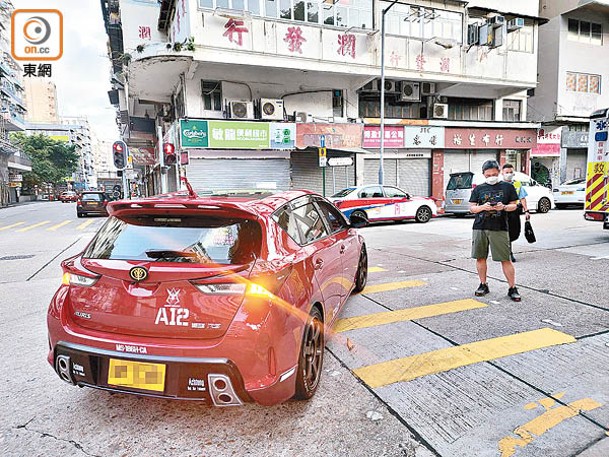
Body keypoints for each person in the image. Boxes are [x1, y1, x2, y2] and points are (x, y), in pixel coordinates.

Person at [469, 160, 522, 302]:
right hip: (480, 227)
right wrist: (483, 207)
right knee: (480, 257)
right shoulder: (478, 189)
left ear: (498, 172)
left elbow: (514, 205)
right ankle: (483, 284)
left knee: (505, 259)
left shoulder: (507, 187)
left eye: (494, 174)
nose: (491, 176)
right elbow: (472, 208)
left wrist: (503, 207)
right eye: (488, 175)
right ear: (483, 174)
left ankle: (512, 288)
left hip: (500, 227)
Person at [501, 163, 530, 262]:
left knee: (514, 232)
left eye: (510, 172)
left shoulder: (517, 184)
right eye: (506, 172)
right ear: (502, 173)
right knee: (504, 232)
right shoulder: (498, 185)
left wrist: (526, 211)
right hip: (502, 211)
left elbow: (522, 198)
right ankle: (508, 252)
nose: (509, 174)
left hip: (514, 211)